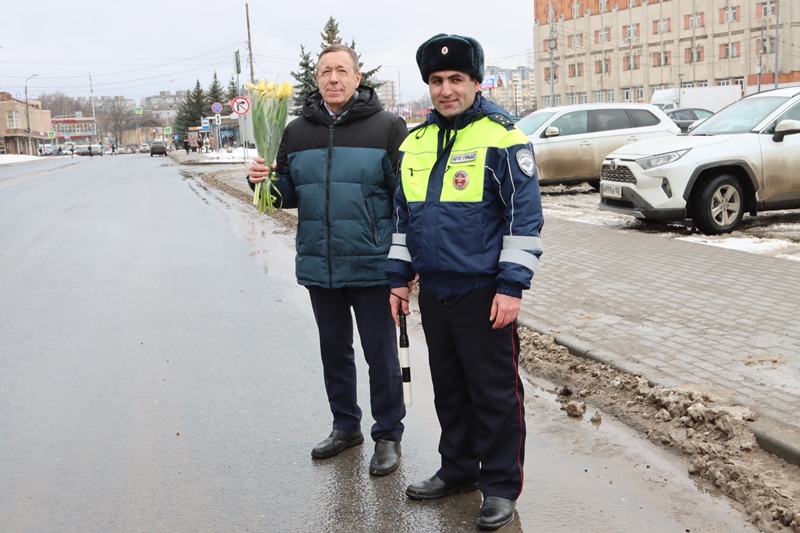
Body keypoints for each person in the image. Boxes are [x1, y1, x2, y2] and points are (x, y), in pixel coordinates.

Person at [387, 34, 544, 531]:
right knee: (450, 390)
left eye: (456, 79)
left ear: (477, 82)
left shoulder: (504, 137)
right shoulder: (415, 143)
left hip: (484, 292)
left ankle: (499, 486)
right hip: (434, 290)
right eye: (437, 80)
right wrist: (398, 280)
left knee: (494, 394)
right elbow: (402, 219)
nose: (446, 89)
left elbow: (525, 220)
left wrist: (512, 286)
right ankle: (458, 470)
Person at [247, 44, 409, 475]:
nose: (332, 78)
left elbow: (405, 201)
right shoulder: (297, 131)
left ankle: (388, 434)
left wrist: (404, 265)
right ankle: (345, 425)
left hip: (374, 265)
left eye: (341, 71)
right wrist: (260, 182)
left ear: (357, 78)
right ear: (316, 80)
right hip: (322, 264)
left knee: (380, 355)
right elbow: (285, 196)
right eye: (324, 72)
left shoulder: (388, 127)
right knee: (334, 351)